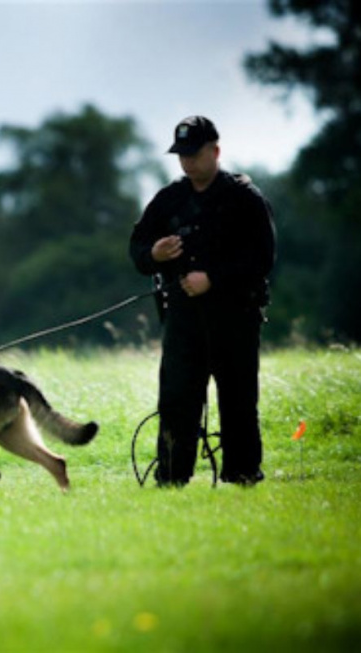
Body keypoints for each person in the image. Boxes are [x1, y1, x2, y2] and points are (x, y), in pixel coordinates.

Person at [129, 116, 276, 486]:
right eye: (181, 155)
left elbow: (263, 257)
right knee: (177, 400)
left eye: (194, 153)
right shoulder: (169, 199)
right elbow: (137, 249)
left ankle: (243, 474)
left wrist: (213, 278)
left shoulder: (244, 198)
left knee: (239, 401)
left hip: (236, 317)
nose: (187, 162)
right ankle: (172, 478)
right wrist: (155, 255)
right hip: (183, 320)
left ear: (215, 151)